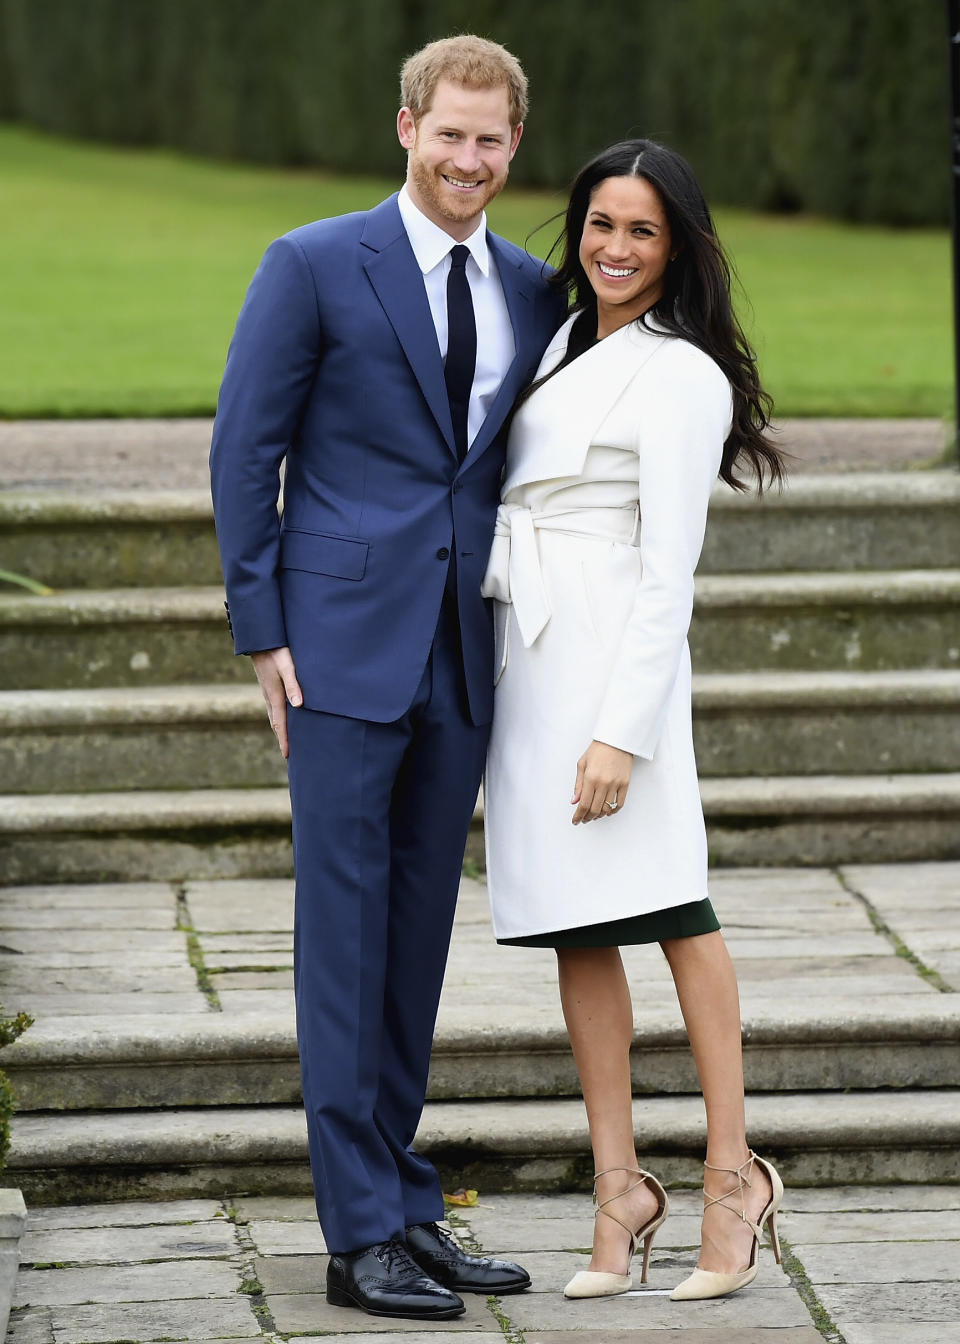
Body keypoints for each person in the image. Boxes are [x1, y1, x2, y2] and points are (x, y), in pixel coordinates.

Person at [210, 35, 565, 1323]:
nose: (469, 160)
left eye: (492, 141)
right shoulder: (312, 264)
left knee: (415, 941)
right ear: (405, 127)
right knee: (343, 942)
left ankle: (407, 1206)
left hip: (462, 654)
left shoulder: (532, 286)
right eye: (449, 133)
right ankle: (357, 1232)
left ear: (513, 147)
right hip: (339, 651)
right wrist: (263, 629)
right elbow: (246, 448)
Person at [481, 138, 788, 1303]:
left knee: (675, 912)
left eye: (643, 231)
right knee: (576, 926)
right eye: (601, 225)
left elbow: (670, 575)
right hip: (532, 659)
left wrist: (625, 733)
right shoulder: (560, 339)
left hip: (617, 660)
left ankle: (729, 1177)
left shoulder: (681, 374)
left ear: (680, 248)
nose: (615, 249)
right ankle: (619, 1194)